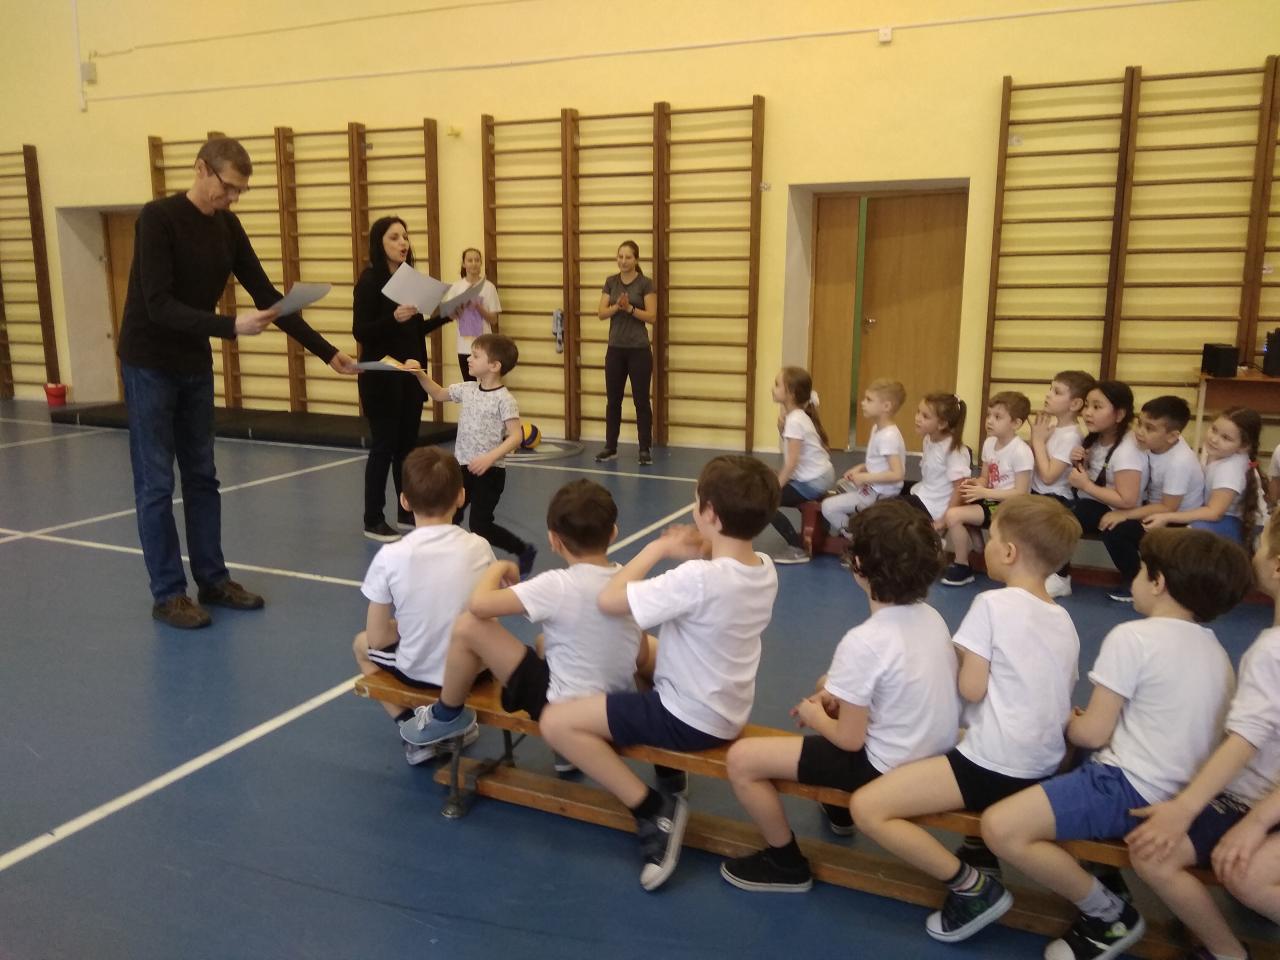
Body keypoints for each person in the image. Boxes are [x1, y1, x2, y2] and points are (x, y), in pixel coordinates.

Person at [117, 136, 357, 629]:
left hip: (192, 363)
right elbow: (158, 304)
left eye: (239, 192)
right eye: (227, 188)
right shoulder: (158, 219)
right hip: (148, 362)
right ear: (201, 169)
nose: (232, 198)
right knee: (156, 482)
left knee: (203, 475)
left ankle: (213, 580)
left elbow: (267, 295)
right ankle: (168, 594)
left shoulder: (228, 227)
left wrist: (327, 352)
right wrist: (229, 325)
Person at [978, 528, 1253, 959]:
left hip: (1128, 788)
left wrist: (1068, 722)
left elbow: (1092, 734)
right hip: (1183, 791)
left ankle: (1107, 914)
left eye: (1141, 571)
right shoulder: (1216, 651)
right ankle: (1106, 878)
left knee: (1001, 827)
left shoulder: (1133, 637)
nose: (1136, 580)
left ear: (1158, 582)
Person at [539, 456, 781, 891]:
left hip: (687, 718)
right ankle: (670, 771)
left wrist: (660, 547)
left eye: (696, 499)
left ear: (710, 514)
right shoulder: (763, 566)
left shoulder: (697, 579)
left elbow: (610, 600)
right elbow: (719, 570)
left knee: (556, 723)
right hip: (726, 705)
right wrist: (706, 545)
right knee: (643, 648)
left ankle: (653, 809)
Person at [850, 496, 1082, 941]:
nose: (984, 546)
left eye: (990, 539)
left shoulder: (992, 605)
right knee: (961, 739)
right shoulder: (1063, 618)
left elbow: (971, 688)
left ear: (1009, 552)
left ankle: (971, 888)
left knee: (869, 807)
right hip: (1045, 761)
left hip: (996, 765)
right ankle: (979, 850)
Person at [719, 499, 959, 894]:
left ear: (858, 565)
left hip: (887, 765)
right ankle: (838, 808)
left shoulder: (864, 641)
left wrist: (816, 716)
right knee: (827, 686)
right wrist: (833, 695)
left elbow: (850, 740)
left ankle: (784, 862)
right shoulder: (931, 616)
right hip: (930, 751)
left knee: (743, 760)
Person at [1125, 511, 1280, 960]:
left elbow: (1246, 738)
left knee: (1156, 854)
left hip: (1254, 798)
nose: (1255, 549)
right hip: (1262, 797)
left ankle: (1226, 952)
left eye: (1261, 542)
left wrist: (1189, 808)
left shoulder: (1271, 652)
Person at [400, 479, 644, 755]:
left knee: (469, 626)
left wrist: (499, 567)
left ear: (553, 540)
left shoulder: (556, 585)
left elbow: (478, 605)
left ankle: (446, 715)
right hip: (615, 704)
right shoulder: (627, 578)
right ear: (613, 533)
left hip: (565, 709)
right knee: (544, 643)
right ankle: (566, 756)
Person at [352, 447, 491, 764]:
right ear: (461, 497)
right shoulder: (479, 546)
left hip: (420, 672)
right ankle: (440, 724)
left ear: (404, 501)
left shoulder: (390, 556)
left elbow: (377, 638)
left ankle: (414, 730)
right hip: (476, 671)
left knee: (360, 645)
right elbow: (487, 611)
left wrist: (408, 625)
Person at [353, 216, 452, 542]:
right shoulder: (369, 282)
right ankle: (373, 519)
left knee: (407, 449)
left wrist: (446, 316)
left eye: (405, 237)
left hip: (410, 377)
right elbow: (361, 331)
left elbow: (414, 329)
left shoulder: (409, 281)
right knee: (383, 448)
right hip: (382, 379)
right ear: (379, 243)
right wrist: (392, 318)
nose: (403, 243)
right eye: (394, 237)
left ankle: (406, 510)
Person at [406, 334, 537, 578]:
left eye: (476, 356)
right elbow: (438, 393)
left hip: (490, 472)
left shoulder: (504, 399)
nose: (469, 358)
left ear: (494, 366)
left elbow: (516, 436)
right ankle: (446, 559)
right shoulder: (467, 389)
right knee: (449, 515)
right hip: (461, 469)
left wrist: (490, 458)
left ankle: (523, 549)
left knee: (480, 525)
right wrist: (419, 374)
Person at [1096, 396, 1203, 602]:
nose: (1139, 431)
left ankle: (1136, 582)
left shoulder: (1179, 462)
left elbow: (1168, 507)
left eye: (1150, 428)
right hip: (1155, 510)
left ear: (1172, 436)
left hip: (1176, 522)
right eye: (1140, 423)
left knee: (1115, 530)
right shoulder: (1153, 446)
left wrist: (1125, 515)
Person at [940, 391, 1033, 586]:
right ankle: (969, 554)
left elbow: (1022, 493)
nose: (989, 421)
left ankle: (968, 560)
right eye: (989, 415)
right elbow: (985, 478)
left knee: (954, 515)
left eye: (997, 417)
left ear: (1016, 423)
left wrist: (984, 492)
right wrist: (976, 484)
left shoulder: (1021, 451)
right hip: (991, 500)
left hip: (1010, 506)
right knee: (958, 501)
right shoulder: (990, 443)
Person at [1143, 406, 1263, 546]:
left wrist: (1167, 516)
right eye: (1214, 429)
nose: (1214, 439)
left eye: (1226, 438)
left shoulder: (1230, 470)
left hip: (1232, 522)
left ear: (1244, 446)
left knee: (1185, 539)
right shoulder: (1217, 451)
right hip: (1220, 516)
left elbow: (1214, 513)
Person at [1029, 370, 1093, 597]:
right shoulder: (1055, 429)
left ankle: (1060, 577)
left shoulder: (1071, 436)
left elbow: (1049, 476)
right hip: (1037, 491)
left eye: (1057, 392)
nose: (1048, 395)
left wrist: (1037, 441)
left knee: (1047, 528)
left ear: (1075, 404)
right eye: (1050, 389)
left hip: (1056, 497)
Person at [594, 240, 658, 466]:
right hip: (615, 350)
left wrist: (630, 308)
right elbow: (601, 313)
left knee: (641, 401)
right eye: (620, 256)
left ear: (636, 259)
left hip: (639, 350)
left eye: (628, 257)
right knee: (613, 400)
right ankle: (610, 447)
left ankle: (644, 449)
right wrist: (617, 307)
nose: (623, 261)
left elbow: (652, 316)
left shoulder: (645, 283)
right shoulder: (611, 282)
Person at [767, 366, 835, 565]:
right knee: (768, 480)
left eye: (777, 385)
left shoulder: (795, 420)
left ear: (791, 393)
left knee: (764, 502)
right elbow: (793, 450)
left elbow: (791, 463)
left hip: (813, 481)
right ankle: (821, 529)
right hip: (821, 474)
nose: (773, 388)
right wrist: (781, 427)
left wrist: (775, 488)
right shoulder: (797, 416)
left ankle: (797, 548)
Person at [820, 379, 907, 533]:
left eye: (869, 400)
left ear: (886, 406)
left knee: (827, 507)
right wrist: (861, 468)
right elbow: (880, 463)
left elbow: (897, 474)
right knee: (841, 485)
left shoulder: (888, 437)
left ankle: (859, 539)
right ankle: (860, 524)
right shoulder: (878, 428)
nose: (862, 403)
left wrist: (865, 477)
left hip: (881, 494)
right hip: (873, 487)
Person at [1067, 380, 1147, 538]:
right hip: (1090, 502)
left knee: (1062, 520)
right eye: (1087, 405)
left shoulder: (1126, 451)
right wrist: (1082, 462)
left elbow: (1127, 501)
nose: (1087, 413)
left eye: (1097, 407)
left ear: (1119, 415)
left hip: (1114, 512)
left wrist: (1086, 485)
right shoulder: (1098, 437)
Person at [899, 392, 970, 528]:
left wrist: (944, 520)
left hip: (935, 506)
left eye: (925, 416)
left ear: (942, 424)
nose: (917, 418)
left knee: (890, 508)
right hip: (926, 491)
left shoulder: (953, 450)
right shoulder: (928, 438)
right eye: (918, 412)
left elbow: (959, 488)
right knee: (894, 487)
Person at [445, 247, 501, 382]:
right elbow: (449, 316)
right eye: (470, 260)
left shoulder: (489, 287)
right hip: (464, 347)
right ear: (464, 264)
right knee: (469, 385)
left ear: (481, 263)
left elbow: (493, 320)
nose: (474, 263)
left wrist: (478, 307)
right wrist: (459, 307)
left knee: (486, 384)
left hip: (485, 346)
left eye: (477, 260)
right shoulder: (456, 287)